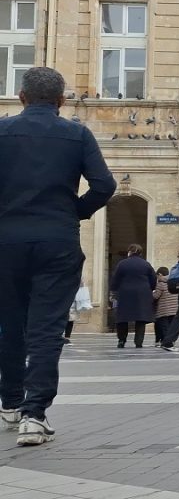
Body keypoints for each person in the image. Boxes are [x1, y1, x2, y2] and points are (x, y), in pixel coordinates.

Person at [0, 66, 116, 446]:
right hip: (57, 241)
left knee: (8, 324)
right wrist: (75, 211)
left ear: (21, 96)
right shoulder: (76, 134)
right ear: (62, 101)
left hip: (7, 242)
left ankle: (10, 403)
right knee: (46, 330)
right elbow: (104, 185)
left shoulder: (2, 131)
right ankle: (35, 416)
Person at [110, 244, 157, 349]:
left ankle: (121, 340)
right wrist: (150, 288)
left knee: (122, 318)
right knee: (141, 318)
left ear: (129, 252)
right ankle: (138, 342)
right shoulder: (146, 264)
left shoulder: (122, 264)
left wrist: (113, 290)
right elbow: (153, 280)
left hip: (125, 293)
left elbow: (115, 279)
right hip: (142, 293)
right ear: (140, 253)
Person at [152, 267, 179, 347]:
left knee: (164, 327)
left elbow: (156, 296)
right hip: (174, 309)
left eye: (157, 276)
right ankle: (171, 341)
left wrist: (151, 293)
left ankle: (166, 341)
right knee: (171, 326)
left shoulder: (161, 284)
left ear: (160, 274)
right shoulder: (173, 282)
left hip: (164, 310)